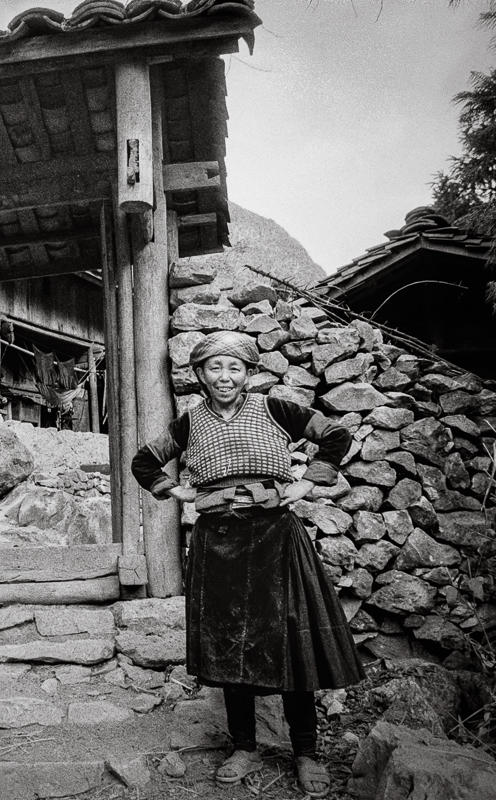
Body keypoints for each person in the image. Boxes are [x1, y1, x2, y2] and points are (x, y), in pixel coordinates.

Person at [131, 330, 364, 799]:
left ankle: (305, 752)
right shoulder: (188, 423)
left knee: (290, 639)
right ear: (199, 374)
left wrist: (308, 483)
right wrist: (175, 491)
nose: (225, 376)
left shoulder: (277, 410)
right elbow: (144, 462)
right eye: (214, 367)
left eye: (234, 367)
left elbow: (336, 435)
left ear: (248, 373)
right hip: (218, 544)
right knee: (227, 642)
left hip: (277, 537)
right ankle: (244, 746)